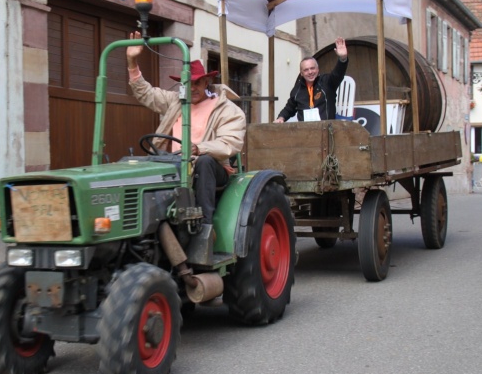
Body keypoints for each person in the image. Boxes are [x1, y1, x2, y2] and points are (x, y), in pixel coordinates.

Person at [126, 31, 246, 229]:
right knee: (137, 163)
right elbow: (146, 93)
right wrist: (132, 62)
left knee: (205, 163)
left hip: (212, 166)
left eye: (197, 83)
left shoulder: (227, 109)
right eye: (187, 83)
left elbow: (230, 143)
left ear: (206, 82)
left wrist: (199, 148)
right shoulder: (176, 102)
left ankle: (204, 227)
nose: (191, 88)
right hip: (175, 164)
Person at [274, 37, 349, 123]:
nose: (310, 72)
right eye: (306, 70)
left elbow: (338, 74)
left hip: (326, 131)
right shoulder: (297, 89)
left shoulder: (327, 82)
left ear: (318, 69)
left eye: (312, 68)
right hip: (305, 132)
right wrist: (281, 118)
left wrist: (343, 59)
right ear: (301, 73)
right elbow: (289, 108)